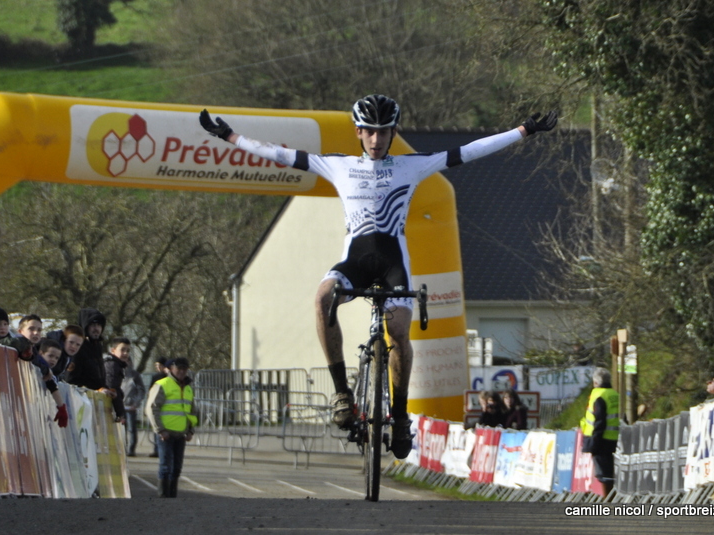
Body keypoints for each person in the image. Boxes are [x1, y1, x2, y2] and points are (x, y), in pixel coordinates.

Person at [199, 95, 558, 459]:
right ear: (358, 132)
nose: (376, 139)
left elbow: (467, 151)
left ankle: (400, 416)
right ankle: (342, 393)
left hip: (393, 265)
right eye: (369, 132)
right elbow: (279, 154)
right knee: (323, 299)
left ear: (392, 132)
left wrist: (524, 130)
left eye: (383, 132)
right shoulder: (337, 166)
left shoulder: (411, 165)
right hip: (353, 262)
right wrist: (229, 136)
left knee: (399, 332)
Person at [145, 357, 198, 498]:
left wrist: (190, 430)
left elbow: (192, 411)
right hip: (166, 433)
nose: (181, 371)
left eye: (184, 369)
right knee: (165, 466)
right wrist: (160, 430)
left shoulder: (187, 388)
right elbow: (152, 408)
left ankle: (172, 495)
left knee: (177, 467)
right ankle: (163, 496)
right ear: (171, 369)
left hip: (181, 433)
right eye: (178, 368)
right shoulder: (162, 384)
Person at [580, 367, 619, 498]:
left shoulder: (598, 395)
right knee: (610, 471)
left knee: (604, 474)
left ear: (596, 382)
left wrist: (594, 441)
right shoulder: (615, 394)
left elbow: (599, 420)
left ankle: (608, 501)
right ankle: (610, 499)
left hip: (600, 439)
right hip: (614, 438)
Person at [65, 308, 110, 393]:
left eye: (99, 325)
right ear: (86, 327)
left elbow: (97, 378)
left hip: (97, 400)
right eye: (93, 325)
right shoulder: (78, 348)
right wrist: (95, 390)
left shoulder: (98, 347)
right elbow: (71, 380)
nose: (96, 328)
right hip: (82, 400)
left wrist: (105, 388)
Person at [119, 340, 146, 457]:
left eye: (128, 361)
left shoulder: (135, 375)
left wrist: (136, 403)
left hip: (130, 407)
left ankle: (131, 449)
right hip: (119, 406)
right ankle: (122, 448)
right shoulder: (117, 372)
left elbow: (141, 390)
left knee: (131, 429)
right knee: (121, 430)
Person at [104, 337, 131, 423]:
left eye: (128, 351)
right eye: (122, 350)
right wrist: (120, 413)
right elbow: (113, 389)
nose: (125, 353)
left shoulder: (117, 365)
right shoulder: (112, 365)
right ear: (113, 350)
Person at [148, 357, 169, 457]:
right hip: (156, 404)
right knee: (156, 427)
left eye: (159, 365)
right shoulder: (155, 376)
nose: (158, 367)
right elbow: (150, 390)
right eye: (156, 365)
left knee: (162, 427)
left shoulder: (168, 376)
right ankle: (156, 449)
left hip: (165, 405)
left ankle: (160, 449)